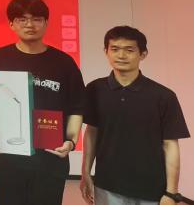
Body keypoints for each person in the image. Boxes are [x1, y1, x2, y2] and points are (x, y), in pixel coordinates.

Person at [0, 0, 85, 205]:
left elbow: (77, 107)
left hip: (50, 160)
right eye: (22, 19)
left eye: (36, 19)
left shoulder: (63, 62)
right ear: (11, 24)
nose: (29, 24)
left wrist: (70, 141)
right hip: (7, 160)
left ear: (46, 23)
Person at [80, 26, 190, 205]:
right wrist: (85, 173)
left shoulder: (163, 96)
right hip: (107, 185)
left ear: (143, 54)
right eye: (115, 49)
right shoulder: (95, 89)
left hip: (151, 188)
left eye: (129, 50)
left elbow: (170, 145)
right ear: (106, 52)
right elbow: (92, 132)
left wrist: (172, 192)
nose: (121, 55)